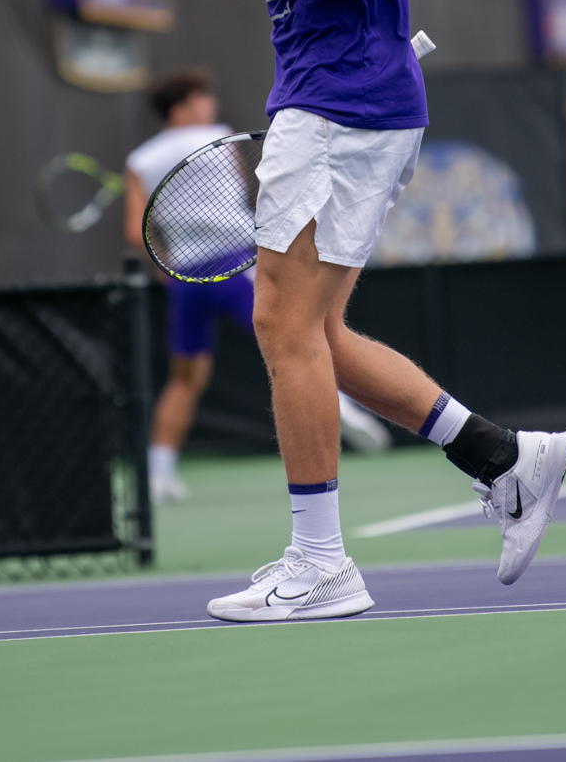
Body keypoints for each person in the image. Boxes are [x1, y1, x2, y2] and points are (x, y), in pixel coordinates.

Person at [127, 0, 566, 622]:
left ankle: (323, 563)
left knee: (280, 328)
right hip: (338, 99)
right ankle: (502, 458)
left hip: (341, 104)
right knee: (317, 336)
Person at [124, 69, 392, 507]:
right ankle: (345, 410)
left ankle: (158, 475)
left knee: (185, 378)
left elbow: (138, 234)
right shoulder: (219, 136)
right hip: (236, 263)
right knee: (299, 340)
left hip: (186, 281)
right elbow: (251, 190)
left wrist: (167, 268)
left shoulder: (139, 161)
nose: (209, 105)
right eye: (201, 99)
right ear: (182, 109)